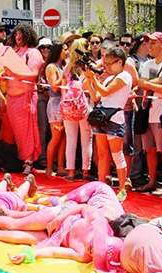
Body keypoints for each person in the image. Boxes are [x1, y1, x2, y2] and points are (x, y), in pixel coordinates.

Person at [84, 47, 134, 201]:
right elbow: (97, 97)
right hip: (102, 115)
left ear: (120, 62)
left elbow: (105, 92)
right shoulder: (109, 78)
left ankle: (122, 188)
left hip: (114, 117)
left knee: (116, 154)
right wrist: (89, 79)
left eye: (109, 64)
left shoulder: (125, 76)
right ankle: (101, 185)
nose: (106, 67)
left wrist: (93, 79)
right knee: (102, 154)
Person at [135, 32, 162, 196]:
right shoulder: (147, 64)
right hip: (147, 111)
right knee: (150, 149)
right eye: (148, 43)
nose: (149, 46)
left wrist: (149, 83)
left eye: (153, 43)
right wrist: (157, 82)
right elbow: (142, 84)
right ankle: (152, 181)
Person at [2, 23, 44, 175]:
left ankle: (28, 161)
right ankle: (19, 159)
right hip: (12, 98)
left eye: (21, 36)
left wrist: (13, 73)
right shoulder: (14, 52)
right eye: (16, 36)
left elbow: (33, 74)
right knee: (16, 133)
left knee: (26, 132)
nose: (18, 39)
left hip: (24, 97)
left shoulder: (33, 53)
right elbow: (10, 72)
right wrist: (6, 74)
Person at [61, 39, 93, 182]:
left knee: (71, 140)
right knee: (86, 140)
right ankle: (86, 172)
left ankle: (70, 172)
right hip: (84, 106)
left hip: (68, 108)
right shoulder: (88, 66)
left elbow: (62, 87)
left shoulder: (68, 67)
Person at [42, 42, 67, 177]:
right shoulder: (51, 67)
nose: (67, 52)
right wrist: (64, 75)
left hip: (65, 103)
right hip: (55, 103)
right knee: (56, 137)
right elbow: (55, 87)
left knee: (63, 137)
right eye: (65, 49)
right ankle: (50, 167)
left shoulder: (63, 66)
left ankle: (61, 167)